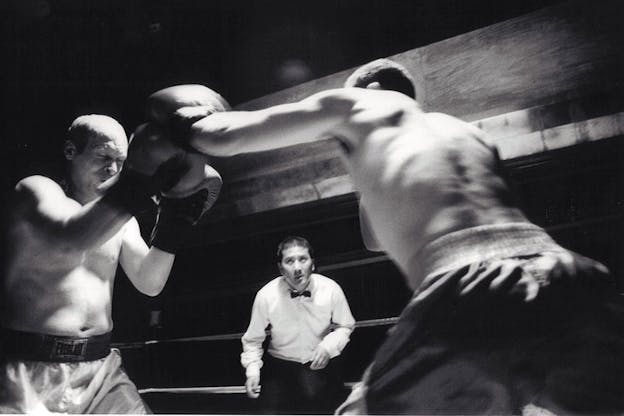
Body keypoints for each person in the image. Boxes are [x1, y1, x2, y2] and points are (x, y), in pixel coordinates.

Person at [145, 58, 624, 414]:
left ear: (369, 87)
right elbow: (376, 239)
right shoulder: (463, 132)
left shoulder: (359, 101)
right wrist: (363, 175)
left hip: (467, 282)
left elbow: (226, 135)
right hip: (564, 271)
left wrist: (176, 120)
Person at [0, 112, 221, 413]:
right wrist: (140, 183)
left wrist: (174, 224)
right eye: (104, 155)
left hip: (102, 370)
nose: (113, 168)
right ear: (70, 152)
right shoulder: (35, 190)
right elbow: (74, 236)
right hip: (28, 372)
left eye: (122, 161)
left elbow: (150, 282)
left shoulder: (122, 220)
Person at [240, 236, 355, 414]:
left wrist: (329, 347)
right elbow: (253, 339)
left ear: (313, 263)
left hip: (319, 364)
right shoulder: (266, 296)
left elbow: (345, 325)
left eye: (303, 259)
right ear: (280, 268)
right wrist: (253, 371)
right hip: (280, 367)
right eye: (289, 261)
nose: (297, 268)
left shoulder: (331, 289)